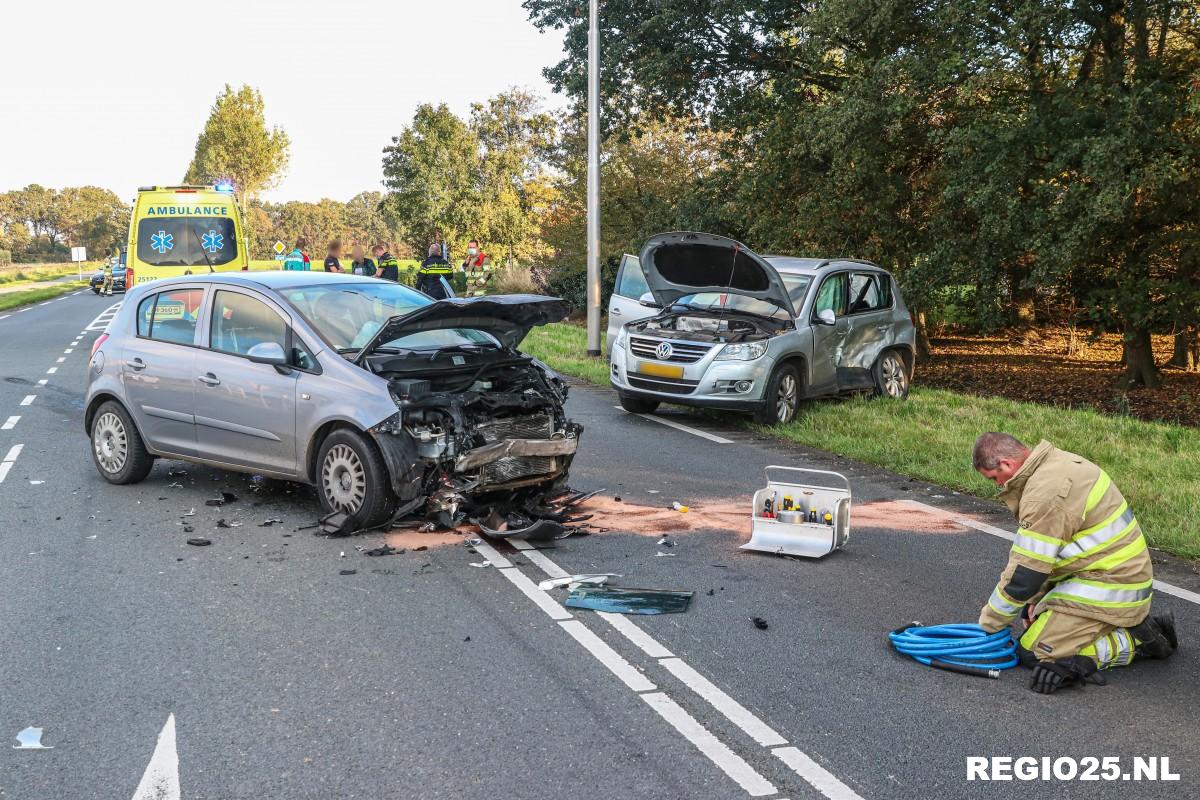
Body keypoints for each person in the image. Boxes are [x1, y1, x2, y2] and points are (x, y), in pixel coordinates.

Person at [972, 433, 1176, 694]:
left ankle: (1134, 641)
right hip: (1107, 577)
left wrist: (988, 626)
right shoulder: (1058, 463)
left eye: (993, 478)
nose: (997, 485)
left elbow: (1024, 574)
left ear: (1006, 465)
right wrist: (1036, 601)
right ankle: (1115, 624)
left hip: (1109, 588)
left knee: (1034, 652)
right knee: (1037, 630)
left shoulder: (1044, 495)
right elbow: (1053, 554)